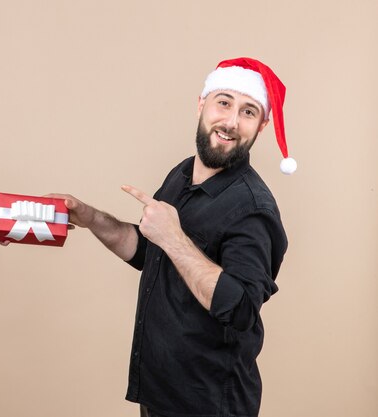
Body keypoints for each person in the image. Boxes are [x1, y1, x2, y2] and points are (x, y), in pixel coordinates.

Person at [49, 57, 295, 417]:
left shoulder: (253, 209)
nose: (230, 121)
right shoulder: (182, 175)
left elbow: (240, 308)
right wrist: (90, 217)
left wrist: (175, 237)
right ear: (201, 104)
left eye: (248, 111)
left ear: (261, 126)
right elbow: (151, 252)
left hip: (209, 404)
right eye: (223, 102)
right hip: (160, 394)